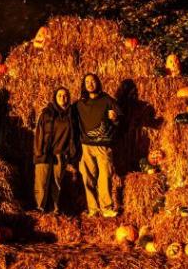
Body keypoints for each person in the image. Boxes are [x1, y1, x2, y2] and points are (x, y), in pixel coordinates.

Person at [73, 73, 122, 217]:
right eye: (87, 81)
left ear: (98, 83)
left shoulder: (107, 100)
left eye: (92, 81)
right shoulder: (79, 104)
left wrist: (115, 118)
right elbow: (66, 116)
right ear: (84, 85)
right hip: (85, 146)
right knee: (88, 177)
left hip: (103, 145)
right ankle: (93, 209)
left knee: (105, 176)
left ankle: (106, 208)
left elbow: (120, 118)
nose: (90, 84)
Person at [33, 87, 77, 213]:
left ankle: (54, 208)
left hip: (60, 154)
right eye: (59, 95)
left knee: (56, 183)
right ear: (55, 98)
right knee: (42, 182)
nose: (62, 98)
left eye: (65, 96)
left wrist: (70, 153)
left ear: (68, 98)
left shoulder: (71, 116)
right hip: (45, 152)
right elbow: (39, 133)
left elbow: (74, 137)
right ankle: (40, 207)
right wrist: (39, 152)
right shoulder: (47, 113)